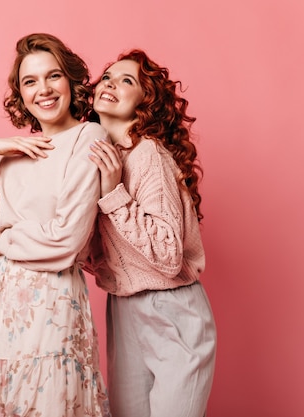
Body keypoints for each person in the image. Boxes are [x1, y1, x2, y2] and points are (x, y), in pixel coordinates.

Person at [0, 33, 111, 417]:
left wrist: (5, 241)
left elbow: (67, 241)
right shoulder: (16, 152)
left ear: (70, 80)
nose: (44, 90)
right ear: (20, 93)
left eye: (53, 76)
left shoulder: (89, 137)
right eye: (30, 82)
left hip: (51, 306)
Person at [85, 49, 217, 417]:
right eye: (107, 76)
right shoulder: (100, 157)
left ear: (146, 103)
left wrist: (114, 194)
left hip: (172, 309)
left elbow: (167, 256)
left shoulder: (148, 155)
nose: (110, 83)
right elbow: (100, 252)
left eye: (127, 80)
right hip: (124, 307)